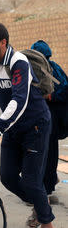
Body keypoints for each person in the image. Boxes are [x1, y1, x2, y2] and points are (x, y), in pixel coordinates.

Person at [0, 22, 57, 228]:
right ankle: (40, 206)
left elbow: (20, 99)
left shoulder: (18, 62)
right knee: (7, 177)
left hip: (35, 126)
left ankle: (48, 227)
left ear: (3, 43)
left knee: (31, 179)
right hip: (12, 127)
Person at [31, 40, 68, 202]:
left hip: (48, 116)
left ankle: (46, 186)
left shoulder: (46, 69)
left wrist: (50, 96)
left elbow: (62, 89)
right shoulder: (54, 67)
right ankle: (48, 183)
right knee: (48, 151)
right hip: (51, 117)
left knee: (46, 152)